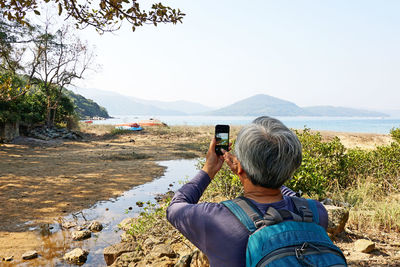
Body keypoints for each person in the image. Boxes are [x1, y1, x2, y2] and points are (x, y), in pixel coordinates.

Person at [166, 116, 328, 267]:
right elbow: (290, 196)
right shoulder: (316, 213)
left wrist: (208, 170)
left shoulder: (215, 219)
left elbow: (175, 207)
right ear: (292, 167)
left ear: (241, 166)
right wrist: (266, 174)